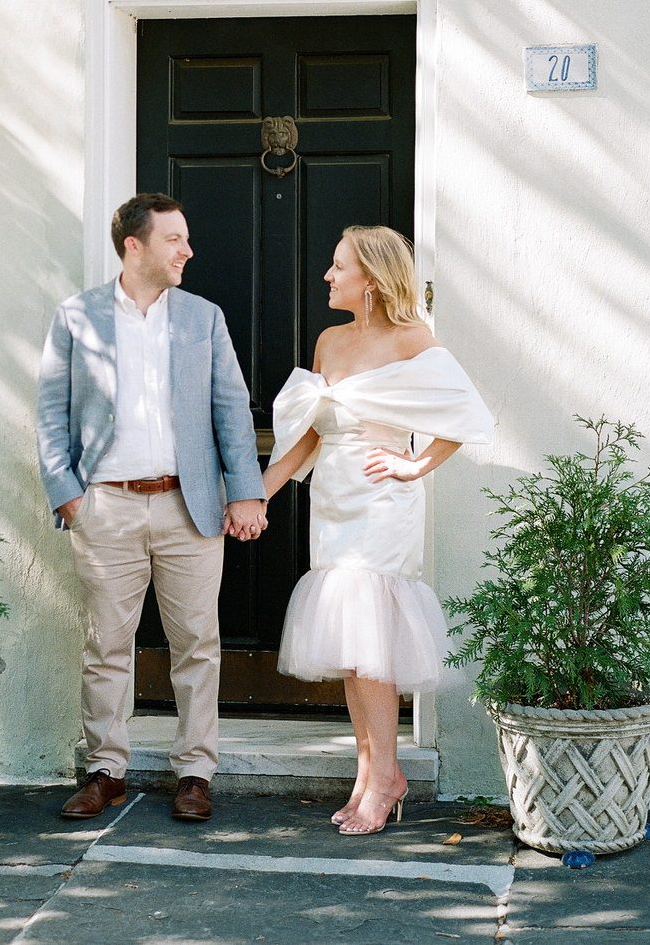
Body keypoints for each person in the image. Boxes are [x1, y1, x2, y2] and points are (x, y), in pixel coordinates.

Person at [36, 193, 268, 823]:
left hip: (187, 506)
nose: (187, 251)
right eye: (174, 240)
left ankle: (194, 771)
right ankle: (106, 769)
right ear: (133, 245)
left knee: (197, 642)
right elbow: (51, 414)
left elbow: (231, 410)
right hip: (105, 508)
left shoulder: (203, 318)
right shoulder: (77, 316)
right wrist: (69, 497)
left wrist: (246, 490)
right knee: (106, 644)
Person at [263, 225, 493, 836]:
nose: (327, 276)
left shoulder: (414, 339)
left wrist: (414, 464)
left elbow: (465, 414)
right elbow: (310, 432)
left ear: (370, 278)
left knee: (373, 642)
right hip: (333, 499)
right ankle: (369, 774)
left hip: (382, 503)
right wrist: (257, 492)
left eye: (338, 267)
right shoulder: (330, 341)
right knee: (348, 642)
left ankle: (387, 775)